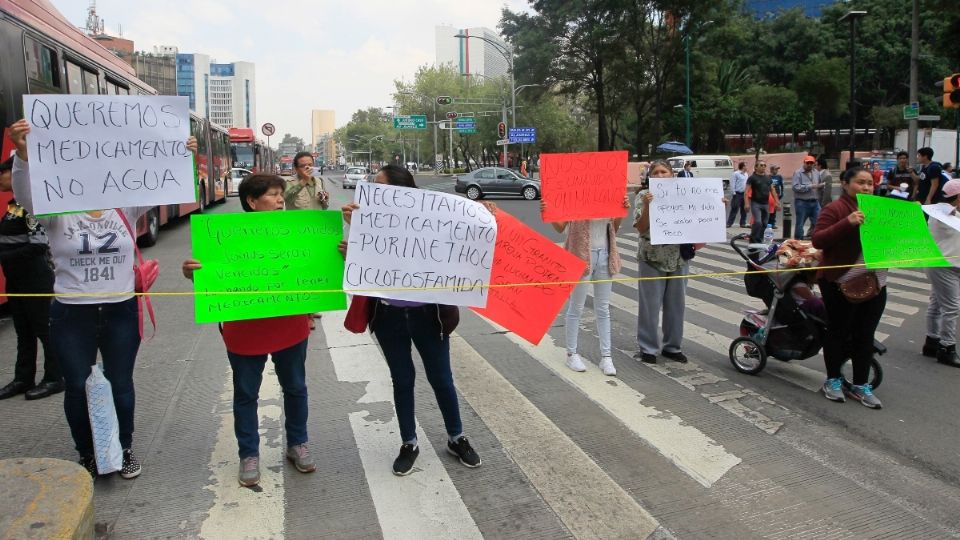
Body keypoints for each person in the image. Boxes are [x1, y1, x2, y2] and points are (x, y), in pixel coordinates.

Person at [8, 119, 197, 476]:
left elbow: (165, 186)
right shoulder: (55, 211)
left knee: (120, 381)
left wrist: (181, 155)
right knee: (77, 385)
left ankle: (123, 448)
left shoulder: (124, 207)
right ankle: (87, 453)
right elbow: (23, 194)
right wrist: (22, 153)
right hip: (70, 313)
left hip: (120, 309)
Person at [340, 164, 481, 476]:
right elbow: (366, 266)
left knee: (442, 379)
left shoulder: (432, 220)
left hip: (429, 315)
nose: (373, 190)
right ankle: (409, 442)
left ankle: (457, 437)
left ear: (401, 190)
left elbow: (466, 241)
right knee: (402, 380)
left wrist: (486, 216)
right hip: (388, 315)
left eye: (380, 185)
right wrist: (355, 240)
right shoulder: (370, 221)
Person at [182, 173, 316, 487]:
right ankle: (249, 454)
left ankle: (298, 443)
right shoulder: (225, 236)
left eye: (281, 193)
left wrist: (335, 255)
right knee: (245, 394)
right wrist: (192, 273)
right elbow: (209, 276)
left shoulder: (297, 232)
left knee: (295, 386)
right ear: (252, 202)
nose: (280, 199)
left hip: (289, 323)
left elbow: (314, 268)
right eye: (272, 194)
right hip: (244, 328)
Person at [812, 166, 887, 409]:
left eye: (870, 183)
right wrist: (848, 222)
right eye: (860, 182)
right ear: (845, 184)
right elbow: (819, 239)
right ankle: (833, 380)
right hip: (839, 283)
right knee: (838, 331)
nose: (866, 187)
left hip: (875, 285)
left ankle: (860, 385)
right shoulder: (835, 209)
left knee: (865, 335)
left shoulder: (879, 209)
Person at [542, 195, 628, 377]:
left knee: (603, 308)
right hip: (580, 255)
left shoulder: (608, 195)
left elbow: (614, 227)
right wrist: (546, 210)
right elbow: (560, 228)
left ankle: (606, 356)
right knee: (576, 307)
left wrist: (621, 209)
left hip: (605, 255)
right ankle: (571, 353)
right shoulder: (574, 196)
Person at [0, 157, 62, 401]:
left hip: (35, 278)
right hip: (15, 278)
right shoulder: (12, 206)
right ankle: (23, 378)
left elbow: (38, 245)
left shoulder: (31, 206)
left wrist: (4, 255)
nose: (1, 177)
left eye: (3, 172)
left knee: (44, 330)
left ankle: (54, 377)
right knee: (23, 330)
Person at [634, 160, 696, 364]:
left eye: (664, 172)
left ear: (672, 175)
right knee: (650, 306)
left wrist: (716, 205)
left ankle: (672, 346)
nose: (660, 176)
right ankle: (648, 348)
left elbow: (698, 218)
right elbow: (641, 228)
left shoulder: (684, 195)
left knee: (676, 305)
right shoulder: (643, 196)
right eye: (656, 172)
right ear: (650, 177)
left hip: (678, 257)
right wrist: (648, 206)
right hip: (652, 257)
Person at [921, 178, 960, 368]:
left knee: (937, 303)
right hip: (944, 265)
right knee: (951, 307)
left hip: (946, 265)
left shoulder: (941, 212)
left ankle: (932, 341)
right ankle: (947, 348)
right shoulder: (944, 215)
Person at [743, 161, 779, 242]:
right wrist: (746, 203)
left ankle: (759, 238)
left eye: (764, 165)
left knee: (765, 223)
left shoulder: (768, 178)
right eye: (761, 165)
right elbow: (746, 191)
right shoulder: (752, 178)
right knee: (758, 222)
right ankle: (753, 237)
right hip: (756, 203)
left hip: (766, 204)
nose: (763, 167)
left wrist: (777, 202)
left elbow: (773, 190)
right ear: (756, 167)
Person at [791, 156, 822, 240]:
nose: (809, 165)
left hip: (815, 201)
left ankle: (819, 240)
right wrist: (809, 186)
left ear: (814, 164)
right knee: (800, 223)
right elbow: (795, 187)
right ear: (804, 163)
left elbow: (818, 184)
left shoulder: (816, 172)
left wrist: (820, 187)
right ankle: (798, 241)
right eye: (807, 163)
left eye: (811, 163)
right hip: (802, 202)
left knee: (820, 222)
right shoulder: (798, 173)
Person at [727, 162, 748, 228]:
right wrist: (733, 192)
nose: (746, 167)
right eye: (745, 166)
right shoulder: (736, 174)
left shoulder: (746, 174)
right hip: (737, 193)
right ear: (742, 167)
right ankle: (729, 223)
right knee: (734, 208)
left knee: (744, 209)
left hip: (744, 194)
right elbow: (732, 183)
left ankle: (742, 223)